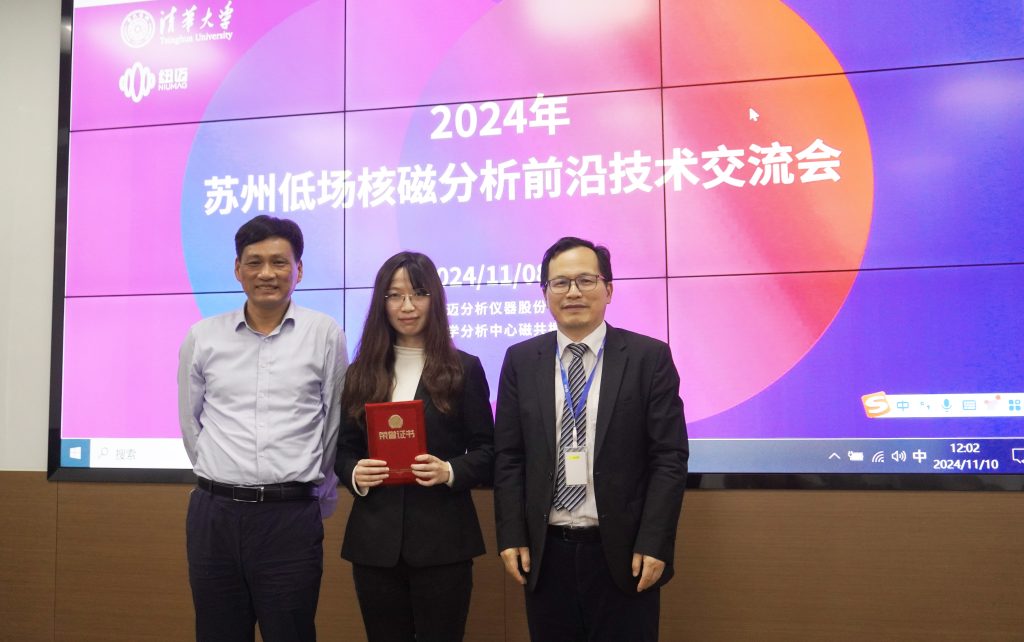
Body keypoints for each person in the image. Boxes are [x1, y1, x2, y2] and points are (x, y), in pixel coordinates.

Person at [493, 237, 689, 642]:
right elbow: (509, 456)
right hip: (546, 554)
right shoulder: (521, 360)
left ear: (608, 289)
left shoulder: (648, 357)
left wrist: (655, 541)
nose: (573, 292)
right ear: (545, 293)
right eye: (560, 283)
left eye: (586, 280)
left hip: (624, 552)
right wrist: (512, 535)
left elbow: (668, 458)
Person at [177, 215, 347, 642]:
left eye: (279, 262)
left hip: (289, 517)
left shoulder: (324, 333)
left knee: (290, 632)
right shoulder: (203, 336)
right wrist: (222, 475)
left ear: (298, 270)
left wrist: (311, 493)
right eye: (254, 262)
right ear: (238, 269)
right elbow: (190, 423)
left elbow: (333, 425)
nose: (266, 273)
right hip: (214, 515)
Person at [336, 251, 494, 642]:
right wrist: (354, 472)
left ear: (434, 299)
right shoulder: (360, 373)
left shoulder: (464, 368)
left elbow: (489, 451)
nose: (407, 306)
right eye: (394, 295)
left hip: (444, 542)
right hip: (375, 544)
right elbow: (343, 450)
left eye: (418, 293)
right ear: (381, 302)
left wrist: (450, 470)